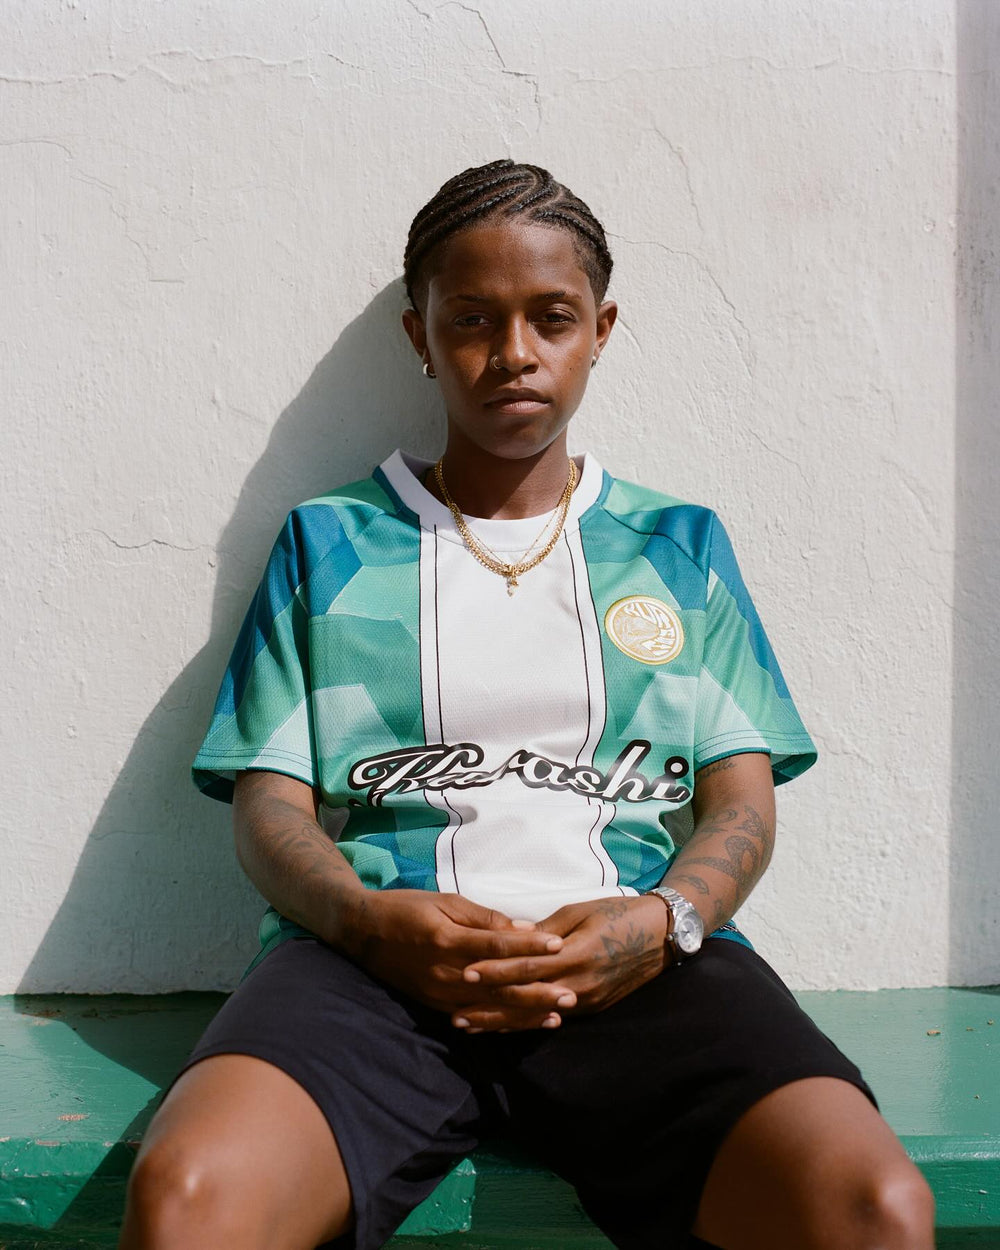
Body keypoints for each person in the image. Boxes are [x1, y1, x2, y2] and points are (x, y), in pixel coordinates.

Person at [119, 160, 935, 1250]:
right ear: (420, 334)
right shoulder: (333, 541)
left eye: (550, 318)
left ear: (599, 329)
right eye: (471, 319)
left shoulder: (674, 547)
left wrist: (661, 920)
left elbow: (739, 801)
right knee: (188, 1198)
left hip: (635, 963)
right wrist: (366, 920)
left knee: (871, 1206)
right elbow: (269, 812)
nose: (512, 352)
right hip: (372, 970)